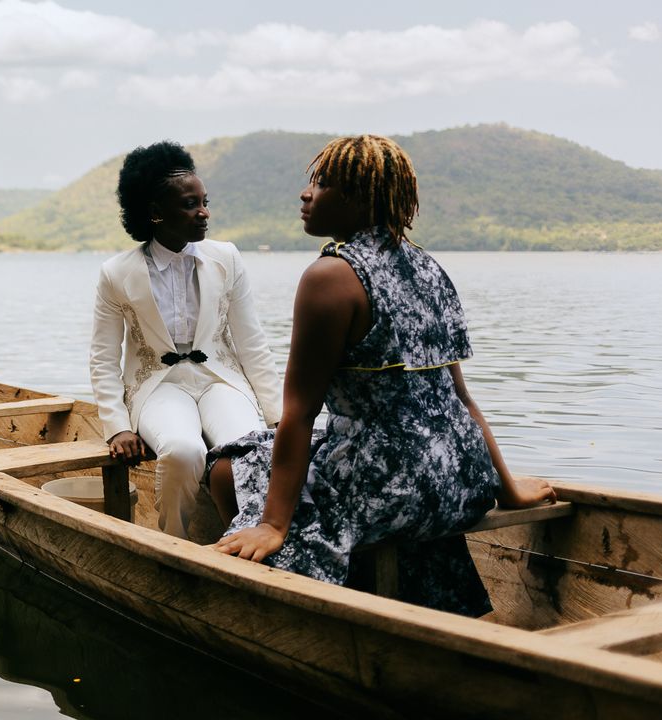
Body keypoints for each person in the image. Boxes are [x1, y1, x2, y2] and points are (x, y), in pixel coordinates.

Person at [206, 134, 556, 616]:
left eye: (323, 184)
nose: (306, 193)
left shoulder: (330, 276)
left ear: (359, 198)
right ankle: (377, 590)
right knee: (291, 453)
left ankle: (279, 604)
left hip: (390, 486)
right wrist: (508, 488)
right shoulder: (429, 267)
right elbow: (461, 397)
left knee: (228, 465)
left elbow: (300, 413)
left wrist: (273, 524)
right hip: (462, 480)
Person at [89, 140, 284, 539]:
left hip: (221, 381)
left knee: (247, 448)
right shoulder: (116, 273)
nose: (204, 212)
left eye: (204, 201)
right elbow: (104, 357)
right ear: (156, 214)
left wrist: (279, 416)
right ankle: (173, 543)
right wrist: (117, 427)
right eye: (190, 205)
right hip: (157, 387)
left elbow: (253, 343)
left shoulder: (226, 258)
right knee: (183, 450)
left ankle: (246, 538)